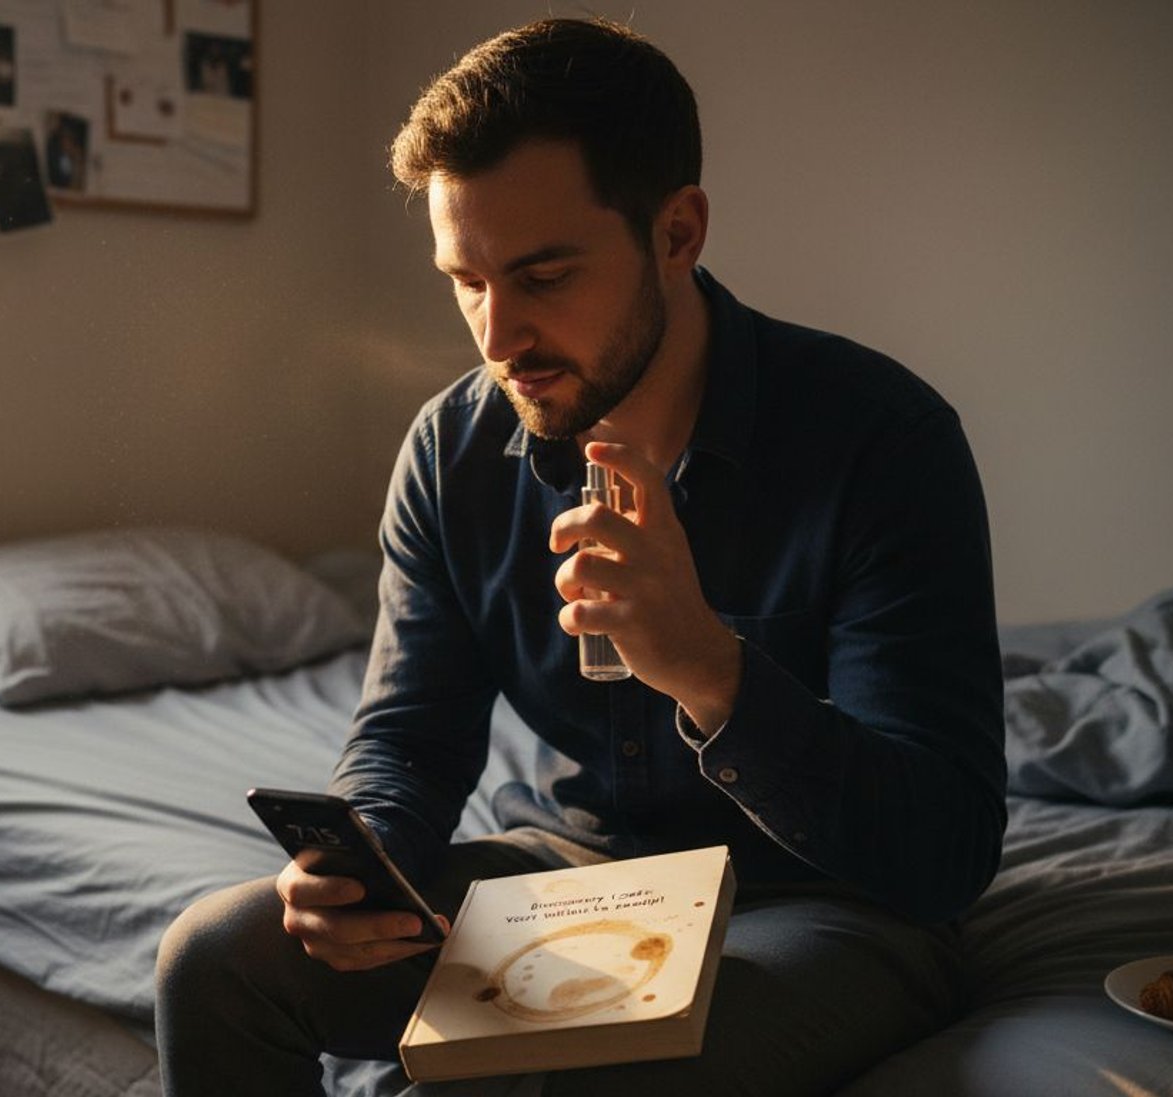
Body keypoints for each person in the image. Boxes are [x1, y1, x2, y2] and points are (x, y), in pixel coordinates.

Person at [156, 17, 1005, 1096]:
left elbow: (942, 848)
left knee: (584, 1069)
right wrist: (367, 861)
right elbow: (410, 735)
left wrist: (710, 668)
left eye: (544, 275)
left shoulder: (881, 437)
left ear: (678, 232)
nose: (498, 333)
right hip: (568, 878)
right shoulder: (453, 450)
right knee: (216, 957)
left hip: (816, 905)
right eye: (466, 280)